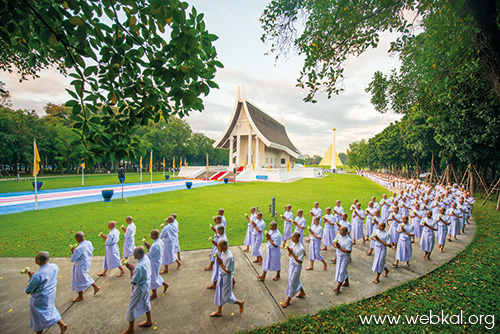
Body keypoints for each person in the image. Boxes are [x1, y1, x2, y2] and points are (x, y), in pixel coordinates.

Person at [24, 252, 68, 334]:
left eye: (36, 259)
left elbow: (28, 290)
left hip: (39, 298)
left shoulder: (37, 276)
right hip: (51, 294)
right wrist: (33, 277)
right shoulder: (54, 267)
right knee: (51, 308)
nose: (35, 260)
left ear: (39, 261)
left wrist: (31, 278)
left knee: (38, 318)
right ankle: (62, 324)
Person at [121, 247, 153, 334]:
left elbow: (134, 282)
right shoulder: (145, 258)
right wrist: (133, 269)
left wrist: (131, 270)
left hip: (140, 288)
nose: (133, 255)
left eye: (134, 254)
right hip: (146, 284)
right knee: (146, 301)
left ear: (138, 255)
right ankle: (149, 320)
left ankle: (131, 328)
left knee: (132, 307)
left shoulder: (139, 267)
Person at [210, 240, 245, 317]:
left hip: (226, 277)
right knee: (219, 293)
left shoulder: (229, 257)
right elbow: (220, 250)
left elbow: (228, 271)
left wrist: (220, 263)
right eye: (219, 246)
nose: (220, 248)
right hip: (221, 275)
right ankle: (219, 311)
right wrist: (216, 245)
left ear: (226, 246)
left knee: (226, 297)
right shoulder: (224, 251)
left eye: (221, 246)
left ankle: (240, 303)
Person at [70, 232, 100, 302]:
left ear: (77, 239)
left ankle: (80, 296)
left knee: (78, 280)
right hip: (87, 262)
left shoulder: (79, 248)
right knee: (85, 275)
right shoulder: (88, 243)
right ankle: (96, 287)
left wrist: (73, 252)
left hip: (81, 265)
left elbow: (73, 258)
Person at [281, 232, 306, 308]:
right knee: (293, 279)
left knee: (292, 281)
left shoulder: (301, 248)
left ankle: (288, 299)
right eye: (292, 237)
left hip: (297, 266)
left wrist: (292, 253)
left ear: (298, 238)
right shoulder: (292, 244)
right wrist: (289, 251)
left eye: (294, 237)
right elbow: (290, 254)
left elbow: (300, 261)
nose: (292, 238)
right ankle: (302, 292)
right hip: (291, 264)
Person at [144, 229, 169, 300]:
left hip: (154, 262)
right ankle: (165, 284)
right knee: (155, 275)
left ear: (154, 236)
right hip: (157, 260)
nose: (150, 236)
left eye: (151, 235)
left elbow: (149, 255)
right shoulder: (159, 241)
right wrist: (149, 247)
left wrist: (148, 250)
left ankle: (154, 294)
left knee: (152, 278)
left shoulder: (155, 245)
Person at [207, 224, 228, 289]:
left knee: (218, 270)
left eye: (218, 230)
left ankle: (214, 284)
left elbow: (222, 251)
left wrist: (216, 245)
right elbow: (218, 237)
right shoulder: (221, 236)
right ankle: (233, 281)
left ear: (221, 231)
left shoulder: (223, 239)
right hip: (219, 256)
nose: (217, 232)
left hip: (221, 257)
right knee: (222, 270)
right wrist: (215, 232)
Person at [333, 227, 352, 294]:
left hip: (345, 257)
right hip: (339, 255)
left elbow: (348, 251)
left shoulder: (348, 240)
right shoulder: (338, 236)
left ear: (346, 232)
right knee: (342, 269)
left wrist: (340, 248)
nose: (340, 231)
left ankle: (338, 287)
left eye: (342, 231)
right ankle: (347, 282)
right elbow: (334, 242)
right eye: (340, 230)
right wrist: (335, 245)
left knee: (341, 271)